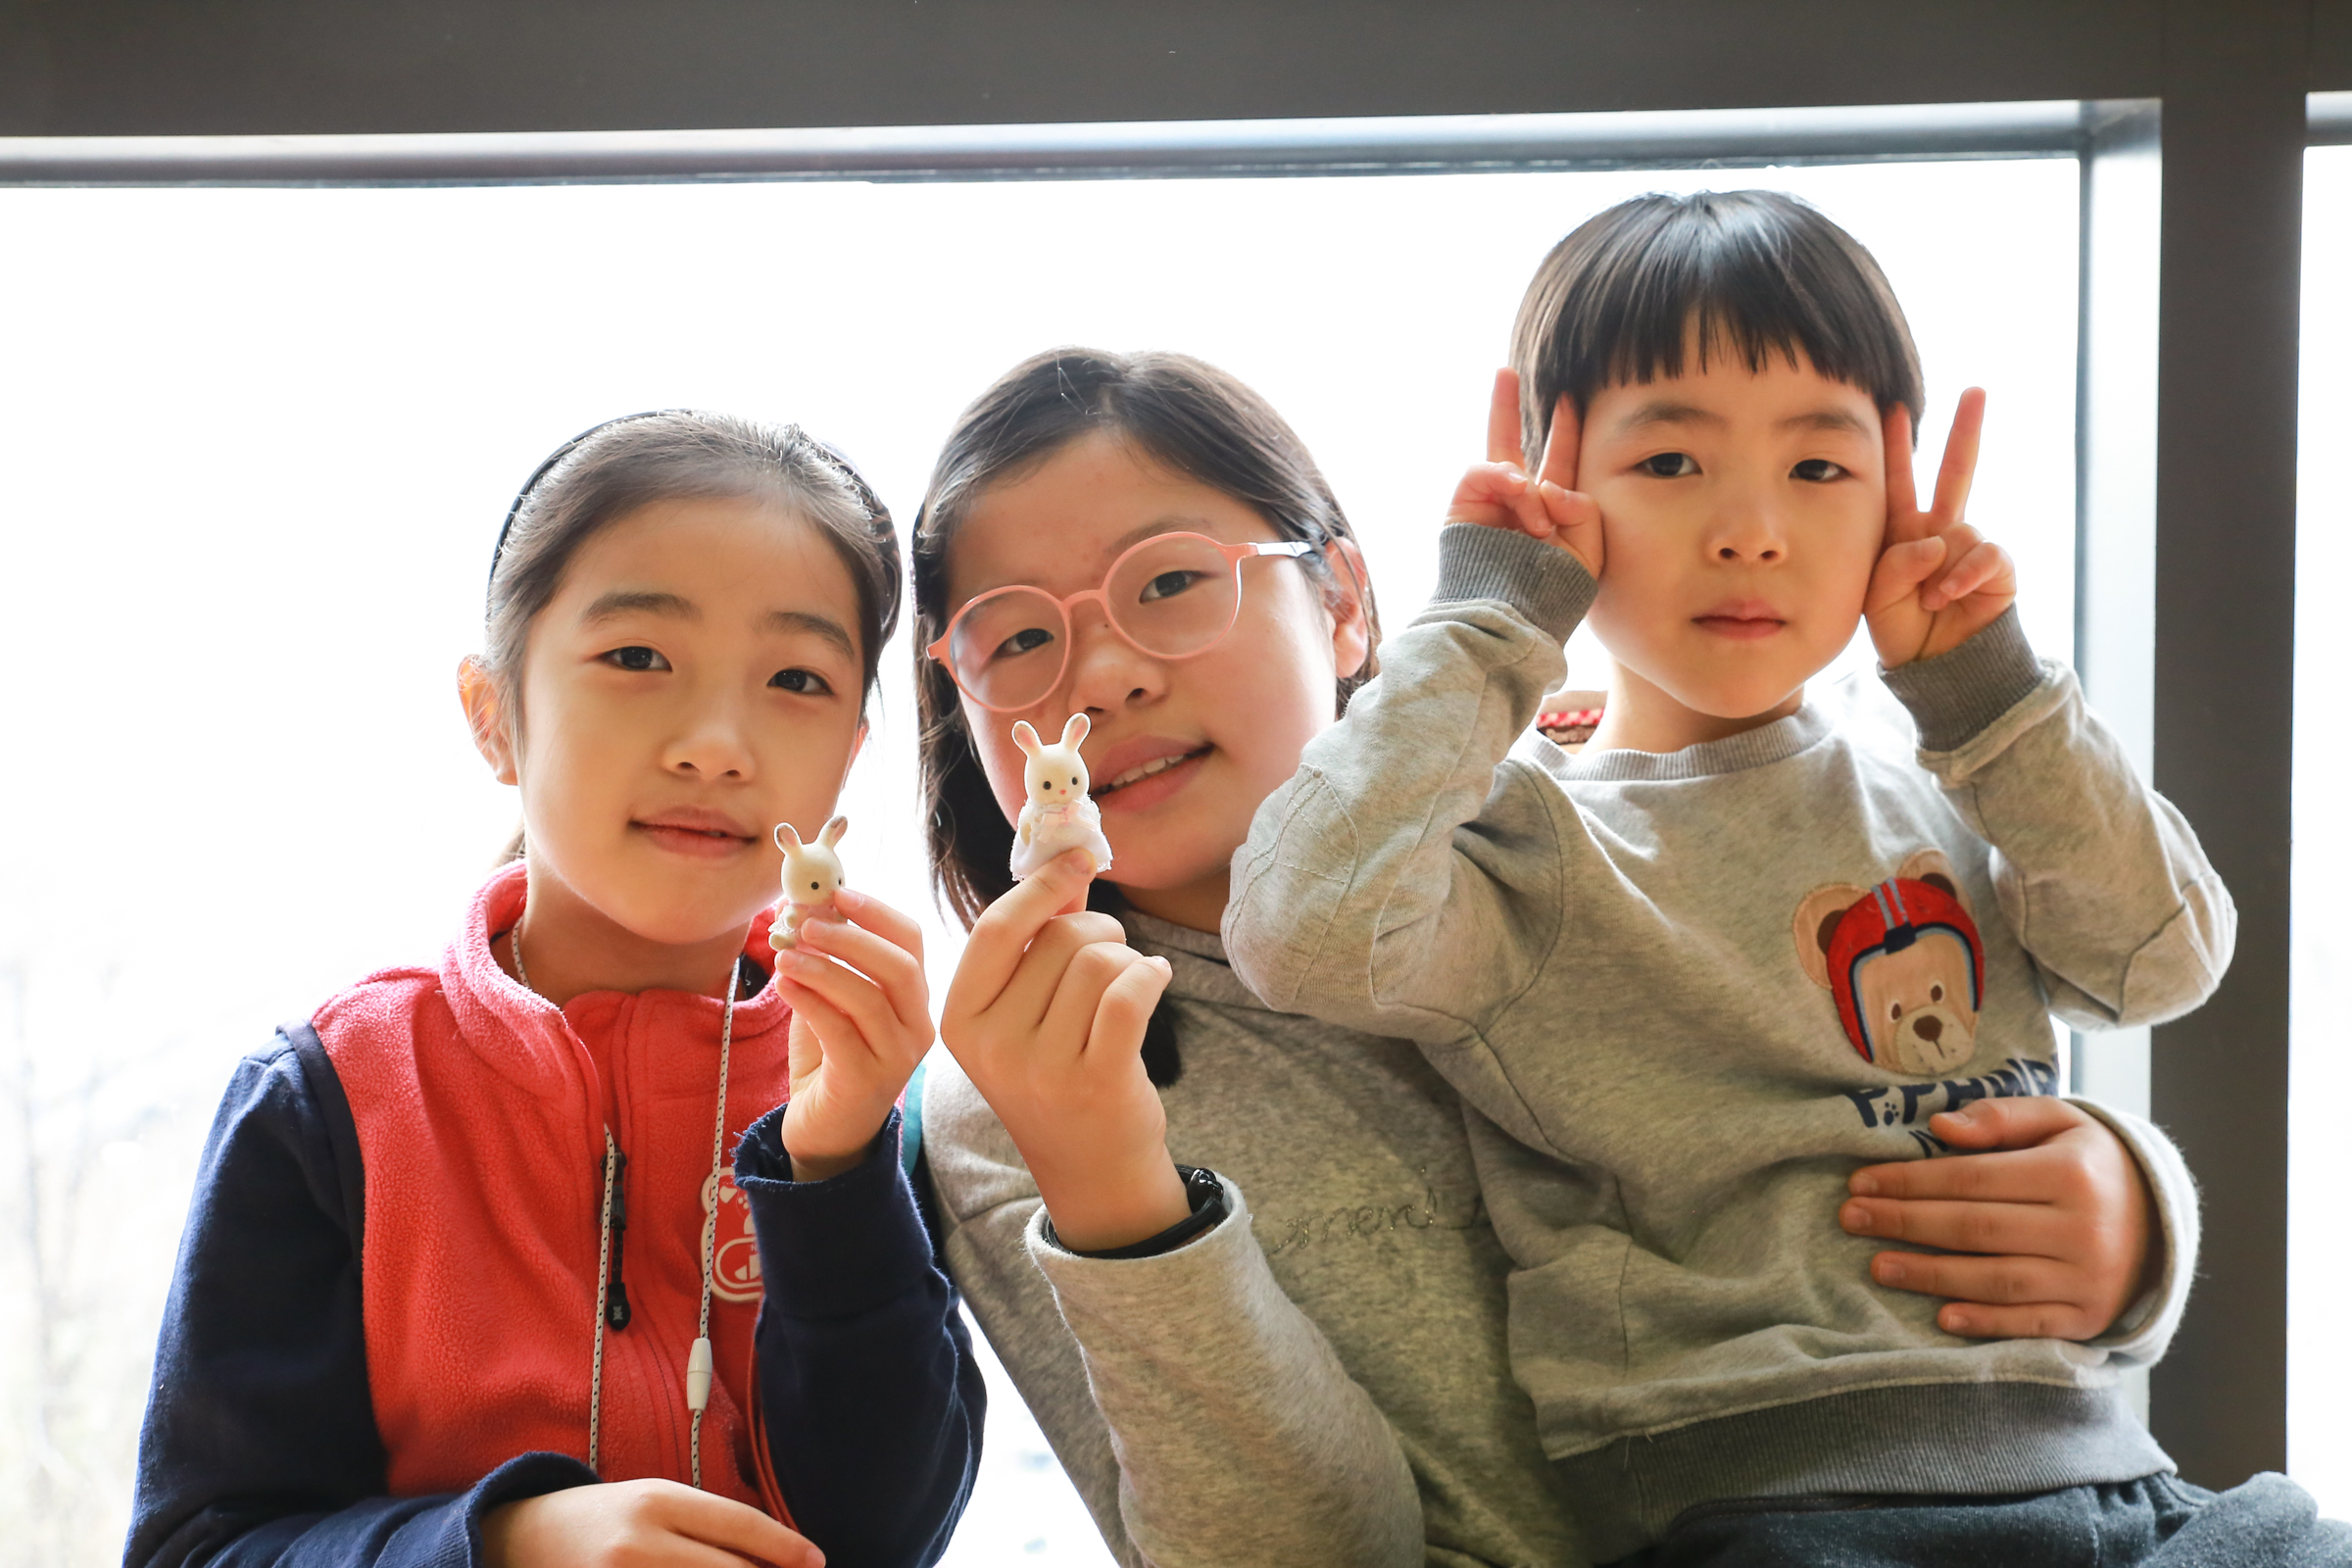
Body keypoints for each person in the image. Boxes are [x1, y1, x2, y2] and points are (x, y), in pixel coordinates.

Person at [914, 347, 2199, 1567]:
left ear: (1344, 602)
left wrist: (2131, 1218)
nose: (1106, 675)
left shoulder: (1586, 830)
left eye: (1171, 582)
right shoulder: (1012, 1110)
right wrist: (1123, 1201)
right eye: (1015, 638)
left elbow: (1862, 1117)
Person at [1223, 190, 2348, 1564]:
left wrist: (1989, 684)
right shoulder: (1531, 838)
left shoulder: (1965, 761)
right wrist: (1491, 614)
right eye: (1671, 462)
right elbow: (1301, 930)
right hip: (1769, 1507)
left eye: (1819, 467)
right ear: (1556, 487)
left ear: (1896, 486)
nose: (1752, 528)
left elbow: (2162, 959)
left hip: (2115, 1486)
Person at [127, 413, 982, 1568]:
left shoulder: (868, 1079)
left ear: (850, 756)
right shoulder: (330, 1097)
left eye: (796, 677)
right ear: (495, 716)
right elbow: (199, 1547)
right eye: (637, 658)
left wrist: (833, 1168)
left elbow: (889, 1532)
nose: (716, 744)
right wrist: (503, 1544)